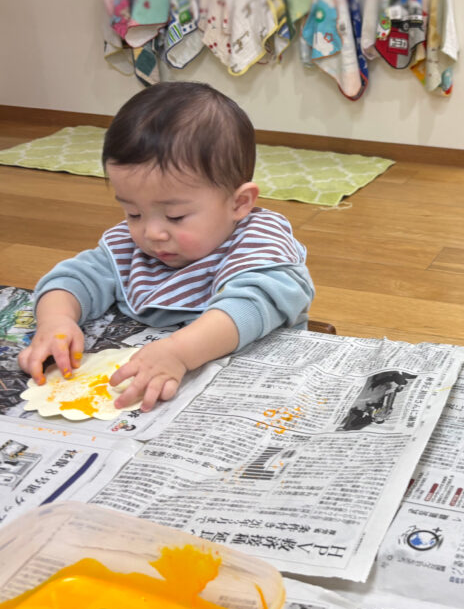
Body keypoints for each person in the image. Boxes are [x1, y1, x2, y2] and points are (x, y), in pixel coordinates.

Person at [18, 82, 314, 412]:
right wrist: (56, 321)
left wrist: (177, 352)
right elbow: (73, 279)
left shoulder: (259, 244)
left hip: (249, 390)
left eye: (175, 216)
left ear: (239, 203)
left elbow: (249, 306)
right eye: (134, 212)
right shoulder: (132, 247)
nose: (152, 232)